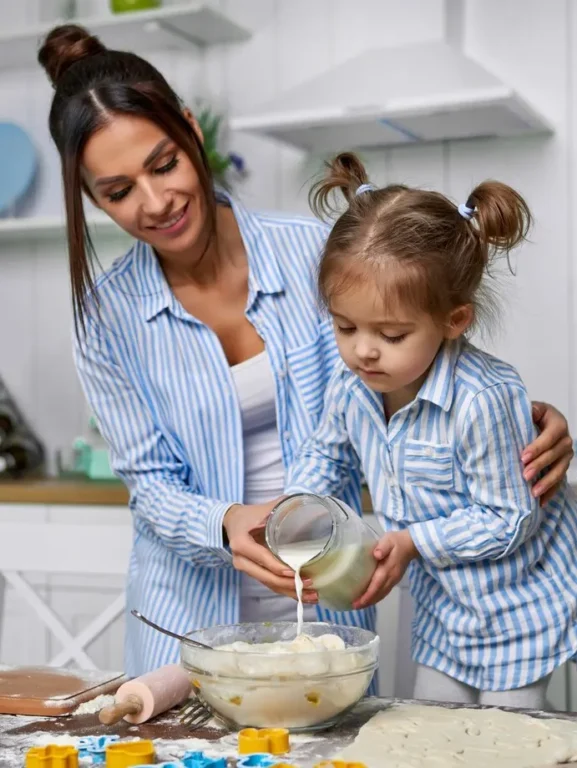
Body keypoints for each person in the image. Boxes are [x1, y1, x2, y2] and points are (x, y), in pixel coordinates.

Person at [38, 25, 573, 677]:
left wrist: (516, 417)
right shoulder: (104, 315)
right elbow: (149, 485)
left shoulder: (316, 253)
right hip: (183, 628)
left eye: (163, 164)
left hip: (329, 615)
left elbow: (424, 361)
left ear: (191, 131)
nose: (157, 203)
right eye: (117, 192)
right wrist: (225, 521)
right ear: (89, 197)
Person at [285, 152, 577, 710]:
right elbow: (326, 458)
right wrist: (300, 508)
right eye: (345, 326)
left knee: (507, 744)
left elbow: (511, 517)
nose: (363, 349)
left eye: (391, 334)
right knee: (431, 734)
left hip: (519, 611)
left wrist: (415, 541)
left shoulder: (484, 397)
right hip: (444, 613)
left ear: (454, 320)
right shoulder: (352, 390)